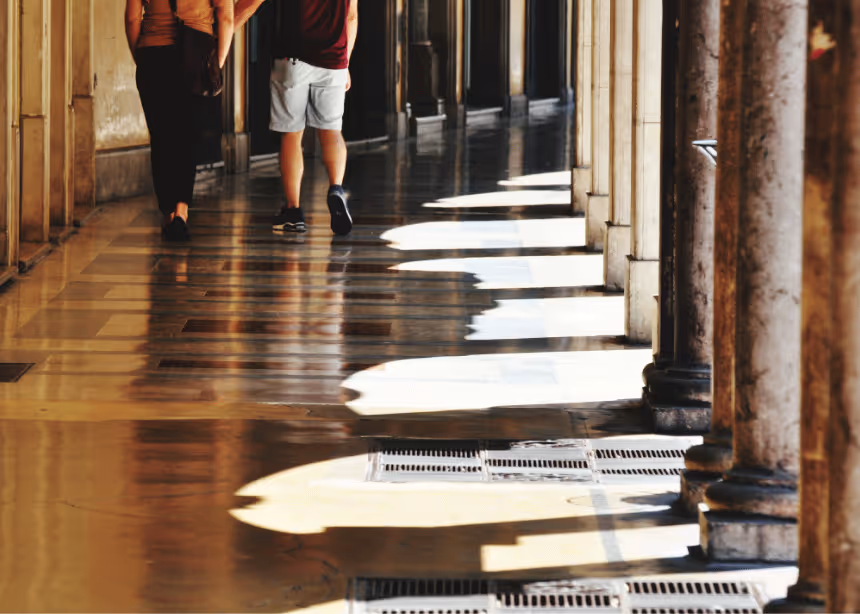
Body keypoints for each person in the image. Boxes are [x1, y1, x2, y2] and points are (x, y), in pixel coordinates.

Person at [235, 0, 357, 235]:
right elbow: (351, 16)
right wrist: (346, 62)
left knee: (291, 134)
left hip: (290, 58)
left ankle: (293, 211)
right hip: (335, 61)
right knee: (331, 130)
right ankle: (336, 188)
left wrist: (225, 27)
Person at [125, 0, 234, 241]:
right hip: (197, 54)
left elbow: (132, 19)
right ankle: (181, 212)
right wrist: (216, 64)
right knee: (188, 136)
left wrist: (141, 57)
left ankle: (167, 213)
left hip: (153, 53)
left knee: (161, 137)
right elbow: (226, 16)